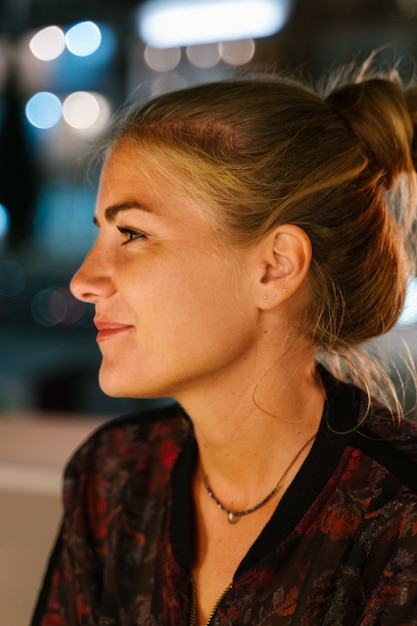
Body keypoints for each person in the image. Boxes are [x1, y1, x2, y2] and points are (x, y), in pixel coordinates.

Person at [31, 55, 417, 626]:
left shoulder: (399, 520)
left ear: (275, 268)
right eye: (101, 234)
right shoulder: (113, 476)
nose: (83, 281)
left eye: (132, 233)